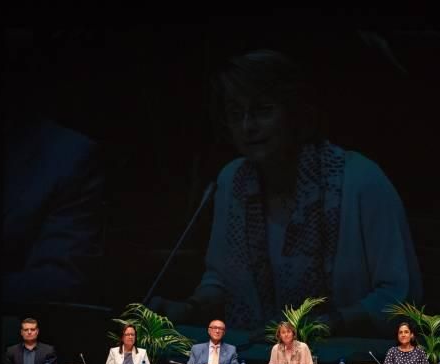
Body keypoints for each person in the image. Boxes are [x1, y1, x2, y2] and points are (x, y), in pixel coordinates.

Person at [149, 48, 421, 339]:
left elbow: (399, 297)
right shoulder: (232, 180)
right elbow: (220, 282)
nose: (247, 126)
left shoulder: (361, 181)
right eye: (235, 113)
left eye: (263, 110)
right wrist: (188, 309)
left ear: (296, 113)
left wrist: (326, 326)